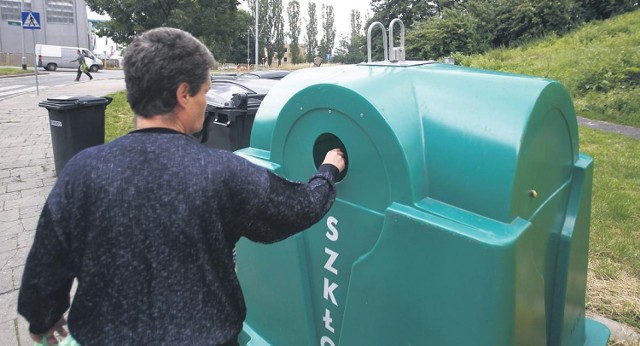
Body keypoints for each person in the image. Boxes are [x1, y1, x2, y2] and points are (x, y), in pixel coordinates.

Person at [18, 27, 346, 345]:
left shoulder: (81, 171)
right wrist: (328, 170)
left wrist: (43, 319)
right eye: (205, 92)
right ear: (183, 94)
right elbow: (299, 208)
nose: (206, 102)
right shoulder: (224, 173)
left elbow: (46, 264)